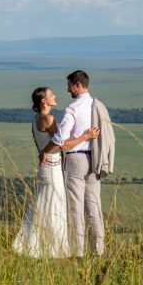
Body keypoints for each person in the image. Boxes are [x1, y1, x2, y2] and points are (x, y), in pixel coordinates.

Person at [12, 87, 99, 258]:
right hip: (52, 167)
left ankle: (35, 245)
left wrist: (44, 150)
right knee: (55, 206)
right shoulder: (48, 118)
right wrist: (86, 136)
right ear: (43, 100)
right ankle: (53, 249)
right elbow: (63, 144)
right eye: (51, 94)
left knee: (43, 204)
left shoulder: (35, 119)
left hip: (45, 167)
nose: (55, 96)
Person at [39, 70, 110, 257]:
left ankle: (78, 253)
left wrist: (45, 151)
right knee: (94, 206)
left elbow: (61, 139)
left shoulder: (73, 108)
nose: (67, 89)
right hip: (95, 158)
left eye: (69, 85)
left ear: (77, 85)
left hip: (75, 159)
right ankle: (98, 252)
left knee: (76, 207)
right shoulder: (99, 106)